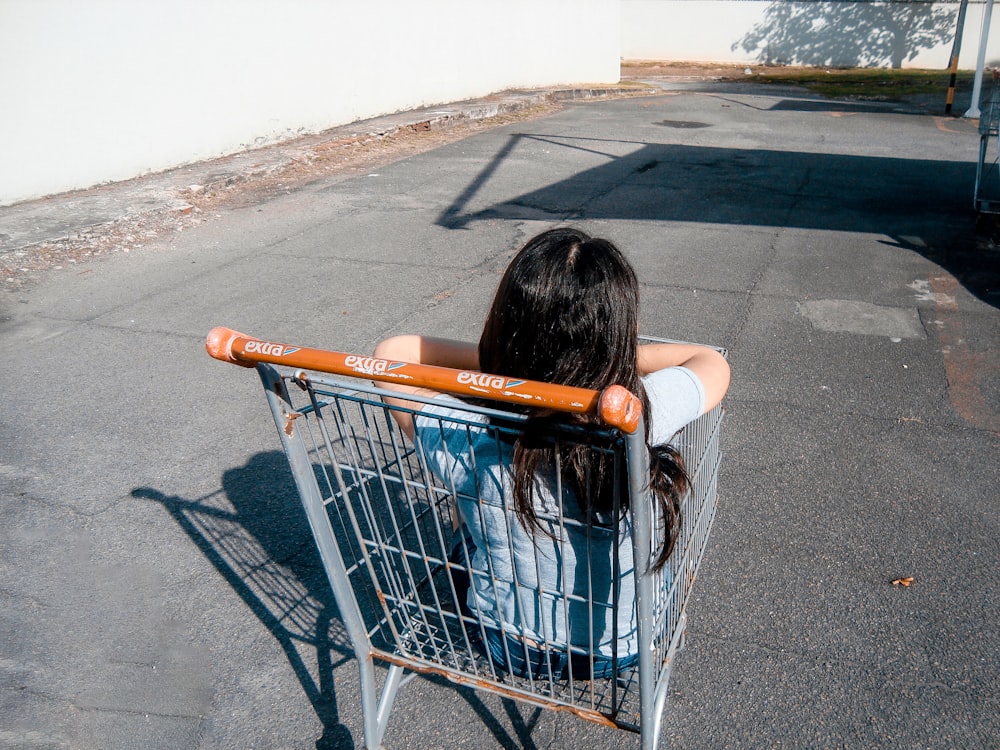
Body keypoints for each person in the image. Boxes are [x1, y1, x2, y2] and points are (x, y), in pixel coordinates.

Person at [372, 227, 730, 679]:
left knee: (467, 511)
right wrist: (614, 361)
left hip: (510, 643)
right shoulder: (639, 414)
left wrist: (504, 366)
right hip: (624, 643)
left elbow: (391, 355)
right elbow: (711, 361)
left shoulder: (468, 432)